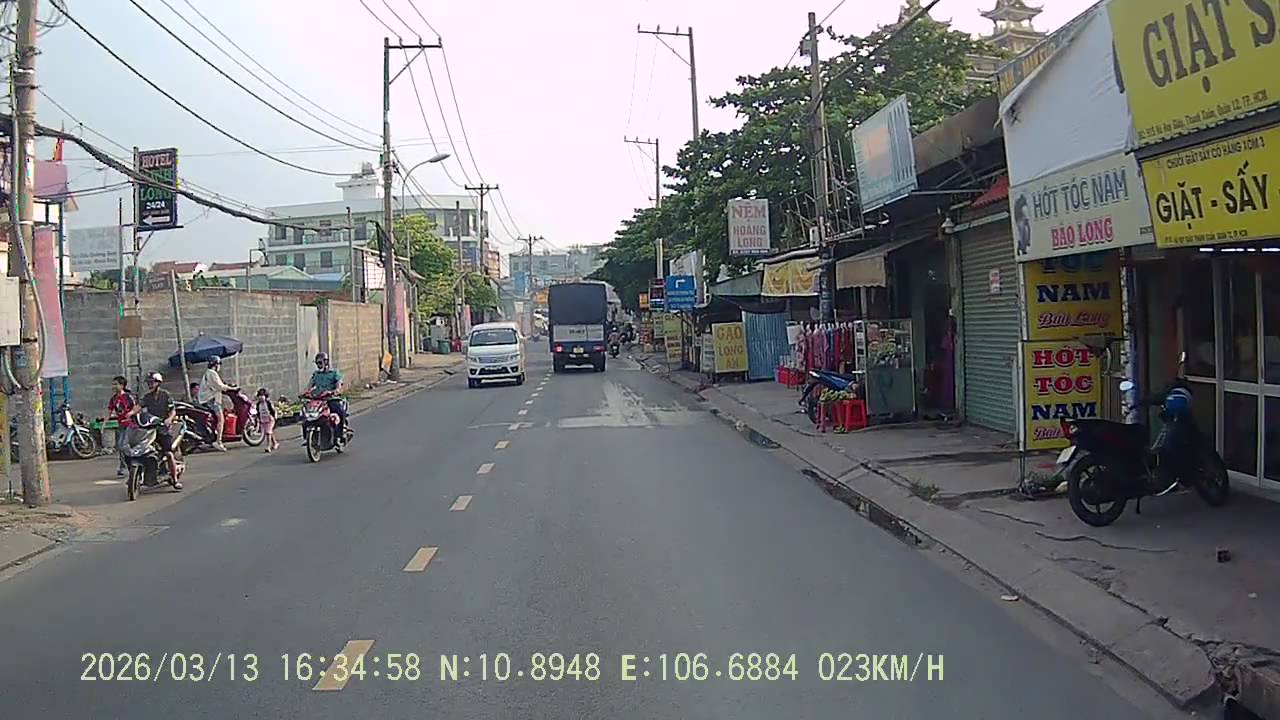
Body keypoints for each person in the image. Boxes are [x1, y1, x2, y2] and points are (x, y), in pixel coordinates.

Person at [131, 372, 182, 489]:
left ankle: (175, 480)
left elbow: (172, 411)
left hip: (163, 429)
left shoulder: (166, 395)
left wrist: (169, 419)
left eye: (152, 382)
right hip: (150, 429)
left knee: (168, 454)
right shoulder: (147, 397)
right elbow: (139, 407)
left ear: (158, 383)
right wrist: (131, 413)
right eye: (148, 383)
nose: (150, 385)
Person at [305, 352, 348, 444]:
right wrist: (305, 392)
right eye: (317, 363)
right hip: (318, 400)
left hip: (331, 399)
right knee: (305, 416)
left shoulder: (334, 373)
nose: (318, 365)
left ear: (326, 362)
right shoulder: (316, 374)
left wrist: (334, 391)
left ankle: (340, 435)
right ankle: (308, 438)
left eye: (320, 363)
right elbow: (309, 386)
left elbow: (339, 385)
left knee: (339, 411)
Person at [198, 356, 235, 451]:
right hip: (211, 399)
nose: (219, 367)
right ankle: (218, 441)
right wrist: (232, 388)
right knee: (221, 419)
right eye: (219, 365)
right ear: (215, 364)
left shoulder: (208, 373)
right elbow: (219, 386)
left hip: (206, 399)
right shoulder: (212, 373)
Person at [106, 375, 136, 477]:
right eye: (113, 384)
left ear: (122, 385)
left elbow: (136, 408)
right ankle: (125, 466)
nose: (114, 386)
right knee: (120, 446)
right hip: (121, 425)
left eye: (116, 384)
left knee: (124, 445)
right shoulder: (114, 399)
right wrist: (104, 423)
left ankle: (129, 465)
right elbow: (109, 411)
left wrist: (131, 415)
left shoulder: (128, 397)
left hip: (130, 424)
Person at [255, 387, 280, 453]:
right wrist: (259, 420)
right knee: (269, 432)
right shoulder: (258, 404)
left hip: (270, 419)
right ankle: (275, 443)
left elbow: (273, 410)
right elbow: (258, 412)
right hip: (263, 420)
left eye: (262, 396)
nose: (261, 397)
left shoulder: (268, 403)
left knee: (268, 432)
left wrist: (275, 416)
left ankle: (268, 446)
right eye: (259, 396)